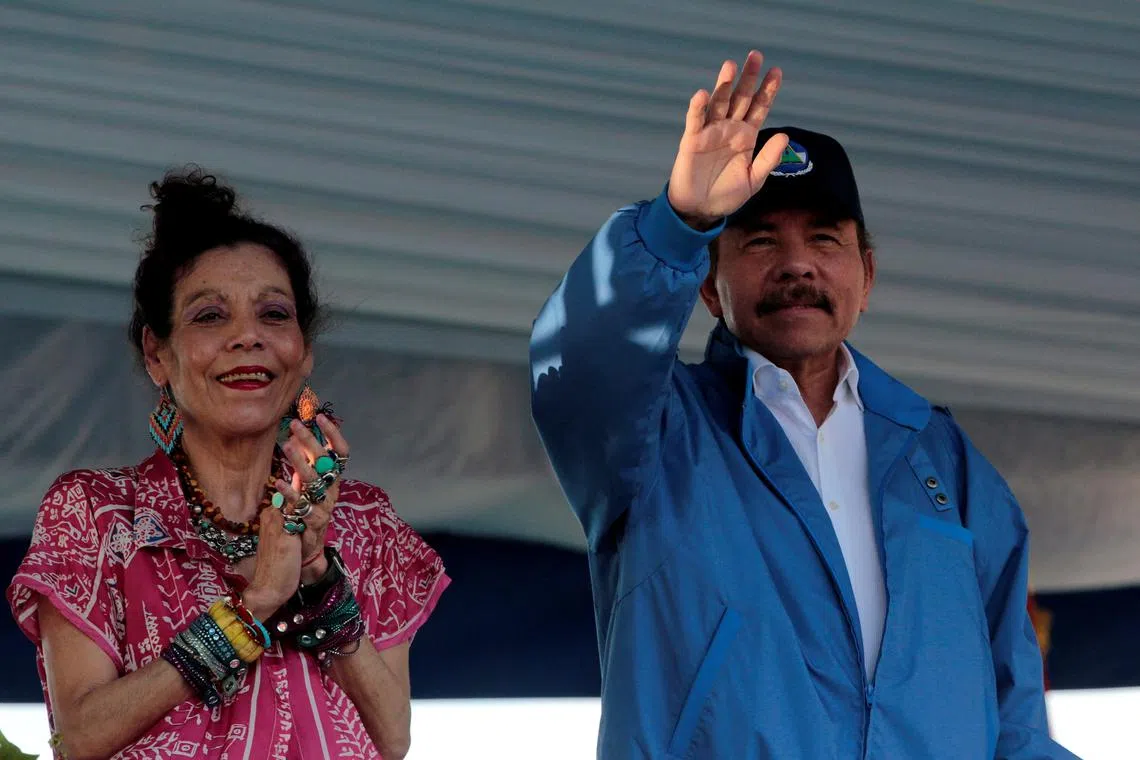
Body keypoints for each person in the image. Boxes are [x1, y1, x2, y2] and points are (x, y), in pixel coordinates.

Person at [529, 50, 1077, 759]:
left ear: (866, 275)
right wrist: (679, 222)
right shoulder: (658, 434)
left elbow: (1017, 720)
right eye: (760, 241)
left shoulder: (943, 460)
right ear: (708, 286)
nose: (798, 264)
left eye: (825, 239)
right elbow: (576, 364)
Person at [7, 169, 450, 760]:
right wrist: (256, 603)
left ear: (305, 351)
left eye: (274, 314)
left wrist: (318, 574)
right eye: (210, 316)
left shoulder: (365, 522)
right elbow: (78, 738)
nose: (248, 336)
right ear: (157, 353)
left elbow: (391, 739)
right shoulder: (97, 514)